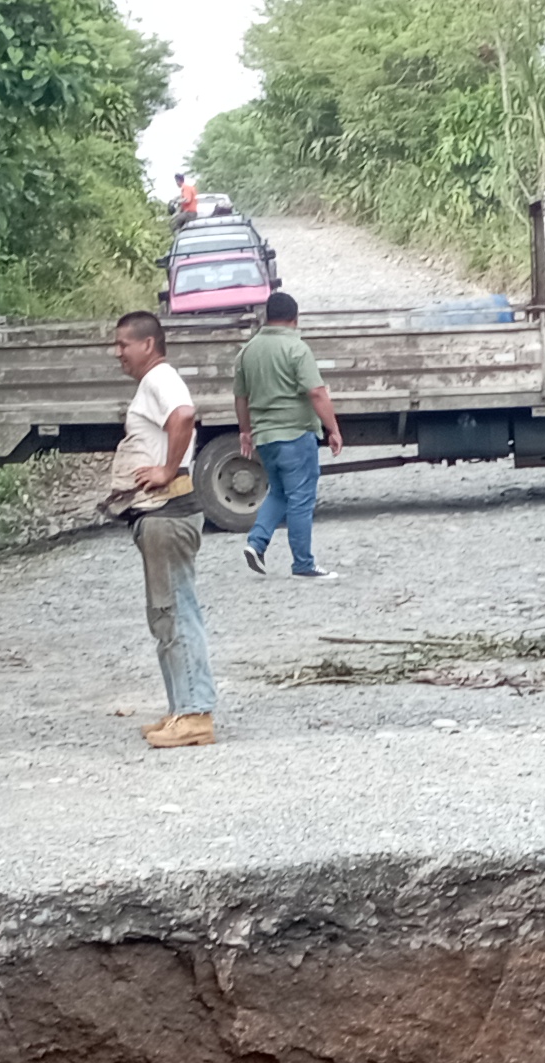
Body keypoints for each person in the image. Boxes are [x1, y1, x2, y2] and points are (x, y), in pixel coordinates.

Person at [106, 310, 215, 748]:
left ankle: (195, 714)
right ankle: (180, 708)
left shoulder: (159, 378)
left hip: (168, 513)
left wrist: (167, 469)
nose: (117, 353)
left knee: (176, 612)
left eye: (123, 344)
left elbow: (184, 415)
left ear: (148, 344)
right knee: (164, 614)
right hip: (158, 515)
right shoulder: (153, 383)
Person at [233, 291, 344, 580]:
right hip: (295, 435)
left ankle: (256, 543)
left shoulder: (247, 351)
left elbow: (241, 397)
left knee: (279, 492)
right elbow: (316, 392)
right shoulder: (297, 348)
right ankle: (303, 564)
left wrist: (245, 431)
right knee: (301, 498)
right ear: (295, 318)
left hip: (265, 437)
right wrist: (333, 429)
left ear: (266, 317)